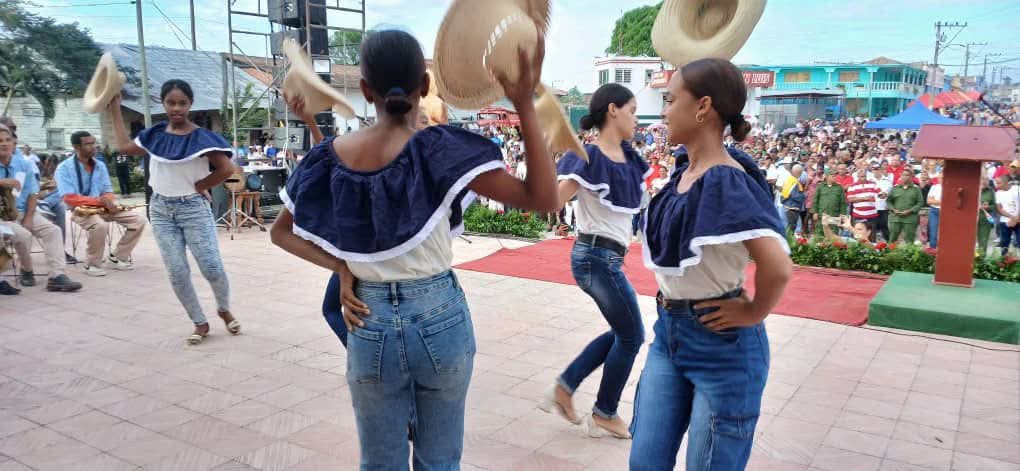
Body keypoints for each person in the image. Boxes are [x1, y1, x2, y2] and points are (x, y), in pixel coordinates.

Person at [269, 30, 557, 468]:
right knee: (439, 460)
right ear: (425, 86)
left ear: (366, 91)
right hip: (440, 316)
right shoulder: (438, 151)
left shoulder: (331, 156)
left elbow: (281, 232)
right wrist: (522, 104)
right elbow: (544, 198)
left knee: (379, 461)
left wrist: (342, 267)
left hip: (368, 319)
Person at [631, 58, 792, 470]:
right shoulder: (686, 170)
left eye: (670, 100)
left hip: (722, 346)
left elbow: (777, 266)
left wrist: (754, 310)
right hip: (668, 335)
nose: (664, 111)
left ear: (702, 107)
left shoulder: (725, 178)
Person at [541, 83, 648, 439]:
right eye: (632, 111)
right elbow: (553, 200)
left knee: (624, 332)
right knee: (632, 336)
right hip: (595, 257)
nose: (636, 119)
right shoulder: (587, 156)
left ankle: (566, 387)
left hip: (607, 258)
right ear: (613, 110)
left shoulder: (631, 159)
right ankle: (604, 411)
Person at [108, 80, 240, 345]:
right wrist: (114, 108)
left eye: (182, 103)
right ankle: (199, 322)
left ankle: (223, 308)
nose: (176, 108)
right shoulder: (154, 135)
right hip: (160, 209)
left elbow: (226, 169)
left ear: (190, 104)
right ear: (163, 103)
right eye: (171, 102)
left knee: (211, 266)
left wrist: (202, 185)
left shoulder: (202, 137)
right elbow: (123, 147)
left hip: (193, 208)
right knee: (177, 271)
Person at [0, 124, 82, 292]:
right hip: (2, 216)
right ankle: (26, 270)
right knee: (23, 235)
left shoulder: (22, 163)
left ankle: (56, 276)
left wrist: (29, 217)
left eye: (8, 140)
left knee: (53, 231)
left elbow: (33, 193)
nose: (4, 144)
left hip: (22, 210)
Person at [55, 131, 147, 276]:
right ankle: (91, 264)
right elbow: (69, 198)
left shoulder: (100, 165)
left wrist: (109, 201)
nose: (94, 146)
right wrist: (99, 201)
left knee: (138, 220)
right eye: (88, 144)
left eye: (94, 143)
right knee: (100, 225)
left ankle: (117, 257)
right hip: (80, 210)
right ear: (76, 147)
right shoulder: (63, 168)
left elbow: (108, 190)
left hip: (103, 208)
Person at [887, 168, 923, 244]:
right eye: (903, 175)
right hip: (895, 217)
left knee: (909, 240)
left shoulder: (916, 189)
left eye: (907, 175)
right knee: (892, 239)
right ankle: (890, 254)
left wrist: (910, 211)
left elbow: (920, 202)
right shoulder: (895, 188)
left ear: (911, 177)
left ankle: (909, 255)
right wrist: (893, 209)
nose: (904, 177)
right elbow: (888, 201)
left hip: (910, 218)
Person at [812, 169, 847, 238]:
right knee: (820, 235)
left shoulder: (839, 188)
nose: (835, 177)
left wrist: (843, 215)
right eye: (832, 176)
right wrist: (815, 212)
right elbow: (815, 200)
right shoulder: (820, 186)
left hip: (834, 215)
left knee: (833, 236)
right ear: (827, 176)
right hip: (822, 215)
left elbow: (842, 202)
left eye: (835, 176)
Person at [994, 174, 1020, 256]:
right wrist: (1012, 218)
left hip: (1019, 220)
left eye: (999, 183)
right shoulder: (998, 193)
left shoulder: (1017, 189)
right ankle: (1004, 263)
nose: (996, 185)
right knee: (1004, 243)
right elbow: (999, 209)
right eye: (996, 183)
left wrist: (1016, 218)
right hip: (1005, 221)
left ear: (1006, 182)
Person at [780, 163, 807, 235]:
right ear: (799, 173)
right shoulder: (795, 182)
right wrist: (804, 195)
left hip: (786, 205)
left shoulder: (789, 180)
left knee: (788, 226)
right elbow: (796, 196)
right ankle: (790, 243)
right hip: (792, 207)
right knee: (791, 227)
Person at [978, 177, 997, 257]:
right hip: (971, 218)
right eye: (982, 179)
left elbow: (994, 206)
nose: (984, 181)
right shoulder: (974, 188)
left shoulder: (991, 191)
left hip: (985, 219)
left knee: (983, 241)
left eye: (986, 180)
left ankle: (981, 261)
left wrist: (987, 207)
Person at [926, 177, 942, 249]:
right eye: (940, 177)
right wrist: (942, 201)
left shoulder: (951, 187)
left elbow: (950, 201)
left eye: (943, 177)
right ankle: (932, 251)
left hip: (946, 212)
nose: (941, 179)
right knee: (933, 233)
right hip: (934, 211)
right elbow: (929, 201)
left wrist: (935, 201)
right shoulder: (934, 187)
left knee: (947, 233)